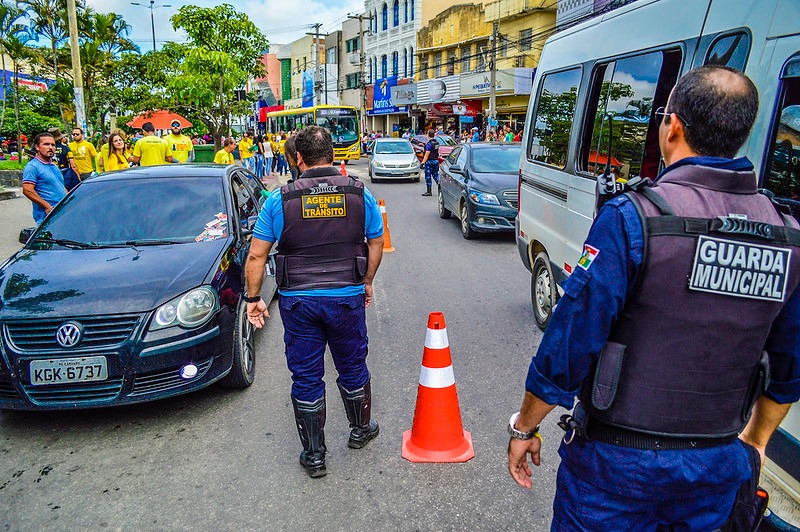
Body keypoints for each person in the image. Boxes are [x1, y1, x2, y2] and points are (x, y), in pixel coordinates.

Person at [507, 65, 800, 530]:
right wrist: (755, 441)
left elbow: (571, 336)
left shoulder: (634, 218)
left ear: (674, 126)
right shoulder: (787, 235)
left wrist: (525, 426)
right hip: (715, 466)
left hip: (616, 468)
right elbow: (789, 367)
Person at [244, 125, 385, 478]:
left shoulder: (280, 199)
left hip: (299, 303)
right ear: (334, 157)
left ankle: (315, 454)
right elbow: (376, 243)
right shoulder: (358, 193)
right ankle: (360, 430)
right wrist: (366, 282)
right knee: (352, 366)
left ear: (299, 158)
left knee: (306, 376)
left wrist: (252, 300)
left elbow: (256, 256)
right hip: (346, 298)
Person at [22, 132, 66, 224]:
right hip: (47, 216)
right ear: (37, 147)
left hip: (61, 213)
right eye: (46, 144)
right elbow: (27, 190)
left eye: (53, 145)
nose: (50, 147)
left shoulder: (53, 165)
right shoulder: (33, 167)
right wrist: (47, 207)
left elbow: (60, 186)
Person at [420, 130, 440, 196]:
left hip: (429, 162)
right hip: (436, 161)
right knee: (436, 175)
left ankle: (429, 191)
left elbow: (427, 154)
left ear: (428, 135)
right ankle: (442, 188)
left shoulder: (429, 144)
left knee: (428, 176)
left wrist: (422, 162)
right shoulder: (436, 143)